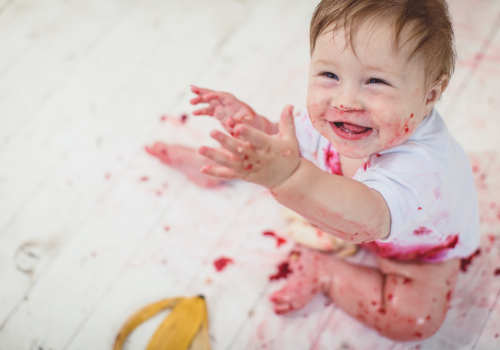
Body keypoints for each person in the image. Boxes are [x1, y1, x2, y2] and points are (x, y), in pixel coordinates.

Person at [147, 0, 480, 341]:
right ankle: (216, 164)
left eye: (376, 81)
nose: (345, 100)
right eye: (330, 75)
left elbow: (366, 220)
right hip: (342, 211)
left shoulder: (422, 168)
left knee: (414, 320)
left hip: (416, 254)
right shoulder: (347, 121)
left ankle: (326, 273)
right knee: (276, 158)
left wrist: (287, 177)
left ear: (430, 94)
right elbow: (295, 146)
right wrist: (254, 128)